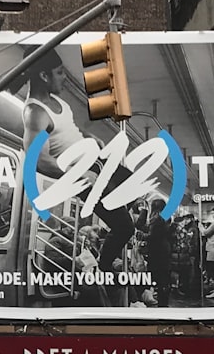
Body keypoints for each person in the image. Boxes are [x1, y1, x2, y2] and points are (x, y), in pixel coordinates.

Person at [22, 47, 135, 274]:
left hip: (95, 161)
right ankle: (100, 269)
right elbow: (38, 160)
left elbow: (69, 134)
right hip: (84, 177)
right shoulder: (37, 113)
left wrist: (90, 139)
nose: (65, 78)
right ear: (44, 76)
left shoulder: (58, 103)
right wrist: (79, 174)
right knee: (126, 228)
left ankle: (106, 227)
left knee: (133, 186)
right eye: (60, 73)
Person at [138, 198, 173, 307]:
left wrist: (142, 236)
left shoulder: (157, 219)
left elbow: (151, 235)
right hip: (163, 250)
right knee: (163, 278)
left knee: (157, 277)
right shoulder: (165, 218)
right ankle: (163, 303)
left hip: (157, 252)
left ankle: (162, 304)